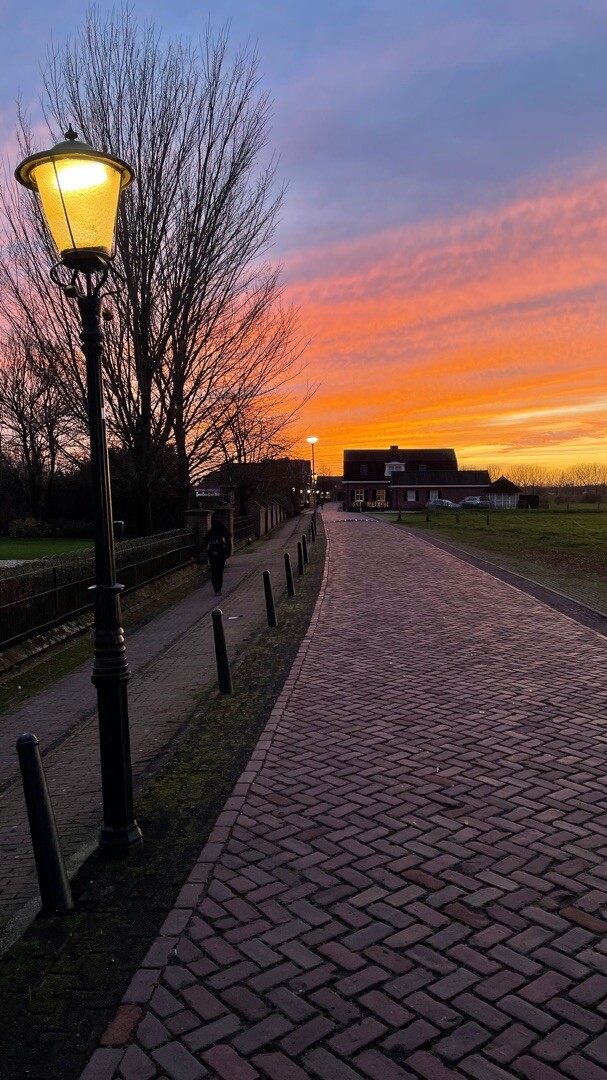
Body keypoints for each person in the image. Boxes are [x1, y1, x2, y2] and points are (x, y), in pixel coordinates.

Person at [197, 514, 232, 595]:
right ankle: (219, 588)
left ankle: (215, 586)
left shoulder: (210, 533)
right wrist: (228, 553)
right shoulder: (224, 533)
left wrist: (195, 554)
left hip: (212, 555)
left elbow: (204, 544)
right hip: (222, 554)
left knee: (214, 570)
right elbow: (228, 544)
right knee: (220, 571)